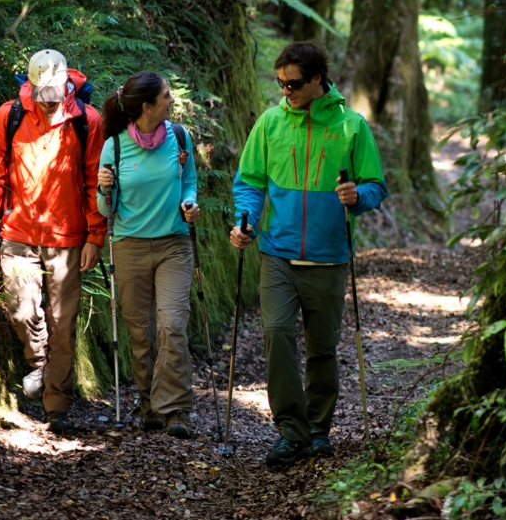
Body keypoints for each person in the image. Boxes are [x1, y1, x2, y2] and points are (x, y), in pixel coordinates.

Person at [229, 41, 387, 467]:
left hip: (329, 256)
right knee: (277, 334)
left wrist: (358, 195)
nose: (286, 92)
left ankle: (319, 431)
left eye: (294, 83)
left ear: (318, 78)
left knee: (321, 350)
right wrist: (246, 223)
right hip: (277, 253)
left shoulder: (352, 126)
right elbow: (250, 182)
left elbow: (376, 186)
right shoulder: (270, 123)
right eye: (280, 84)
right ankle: (291, 432)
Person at [0, 49, 104, 435]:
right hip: (17, 233)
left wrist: (95, 237)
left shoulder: (87, 120)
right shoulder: (10, 115)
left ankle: (57, 405)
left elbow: (94, 181)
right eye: (43, 93)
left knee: (62, 323)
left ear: (67, 84)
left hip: (68, 239)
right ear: (31, 86)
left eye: (56, 92)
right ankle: (39, 365)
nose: (50, 100)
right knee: (21, 312)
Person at [96, 71, 201, 439]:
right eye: (167, 96)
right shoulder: (116, 146)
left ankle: (175, 410)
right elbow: (105, 209)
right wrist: (103, 187)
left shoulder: (181, 137)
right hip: (130, 246)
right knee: (141, 334)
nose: (172, 101)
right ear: (147, 106)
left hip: (174, 243)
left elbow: (189, 182)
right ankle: (147, 403)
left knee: (172, 325)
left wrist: (190, 203)